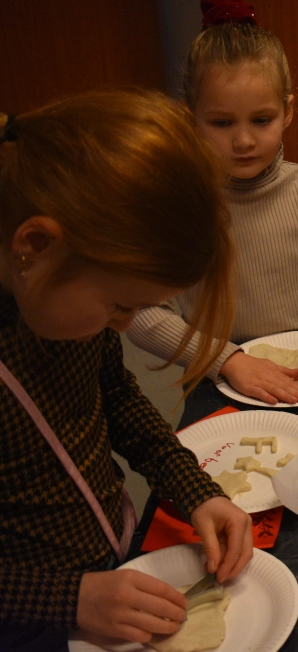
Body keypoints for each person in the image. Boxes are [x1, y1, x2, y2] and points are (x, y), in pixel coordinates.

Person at [0, 91, 252, 649]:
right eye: (119, 305)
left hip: (109, 565)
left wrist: (196, 491)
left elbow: (116, 397)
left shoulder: (63, 306)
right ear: (35, 246)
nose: (123, 325)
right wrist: (66, 599)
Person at [128, 0, 298, 406]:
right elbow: (141, 313)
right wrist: (226, 360)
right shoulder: (178, 203)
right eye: (221, 123)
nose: (244, 141)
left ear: (287, 111)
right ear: (190, 116)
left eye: (261, 120)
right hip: (215, 377)